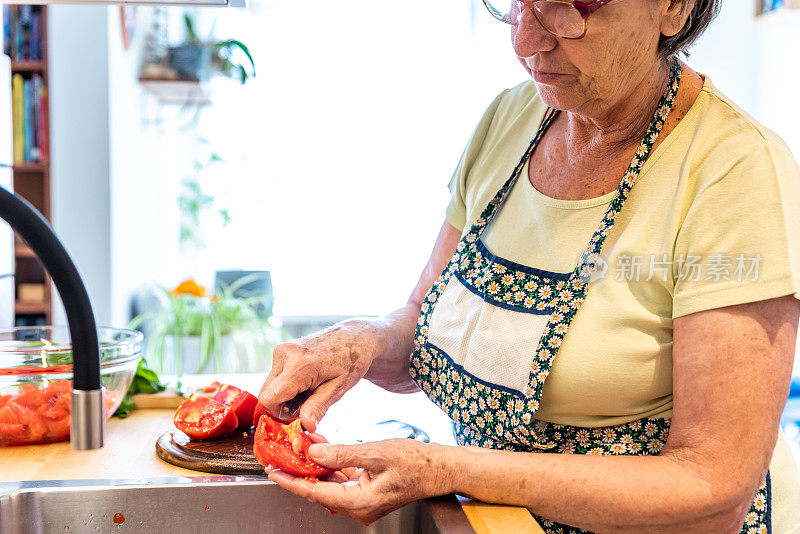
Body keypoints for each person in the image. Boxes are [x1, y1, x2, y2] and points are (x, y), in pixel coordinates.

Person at [259, 0, 800, 531]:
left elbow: (712, 490)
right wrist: (363, 343)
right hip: (495, 519)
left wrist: (443, 469)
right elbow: (427, 323)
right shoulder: (513, 117)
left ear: (674, 9)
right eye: (517, 2)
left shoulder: (735, 172)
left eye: (570, 7)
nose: (525, 40)